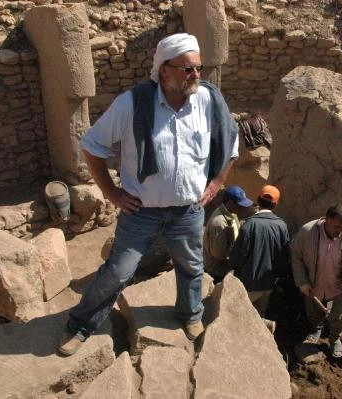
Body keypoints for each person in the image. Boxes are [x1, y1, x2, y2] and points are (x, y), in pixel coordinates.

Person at [58, 33, 239, 356]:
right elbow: (92, 146)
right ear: (164, 70)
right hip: (141, 212)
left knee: (191, 267)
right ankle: (81, 325)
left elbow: (230, 145)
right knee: (118, 271)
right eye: (188, 69)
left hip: (187, 210)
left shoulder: (209, 100)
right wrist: (112, 192)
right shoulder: (133, 103)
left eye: (198, 68)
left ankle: (189, 314)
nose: (196, 75)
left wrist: (218, 181)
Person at [291, 204, 342, 359]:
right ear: (326, 220)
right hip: (313, 286)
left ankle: (335, 339)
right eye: (337, 227)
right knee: (313, 312)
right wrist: (302, 282)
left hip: (336, 287)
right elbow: (296, 255)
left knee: (338, 317)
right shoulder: (308, 232)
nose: (340, 231)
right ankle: (316, 330)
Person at [230, 185, 290, 332]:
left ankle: (264, 326)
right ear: (275, 204)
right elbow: (284, 257)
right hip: (268, 283)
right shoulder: (282, 225)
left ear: (257, 200)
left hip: (248, 283)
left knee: (239, 316)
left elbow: (237, 257)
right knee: (258, 313)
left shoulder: (248, 225)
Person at [203, 185, 252, 283]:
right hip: (217, 273)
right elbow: (218, 254)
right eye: (240, 205)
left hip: (225, 269)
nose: (242, 208)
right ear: (230, 203)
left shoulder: (231, 214)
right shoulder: (219, 223)